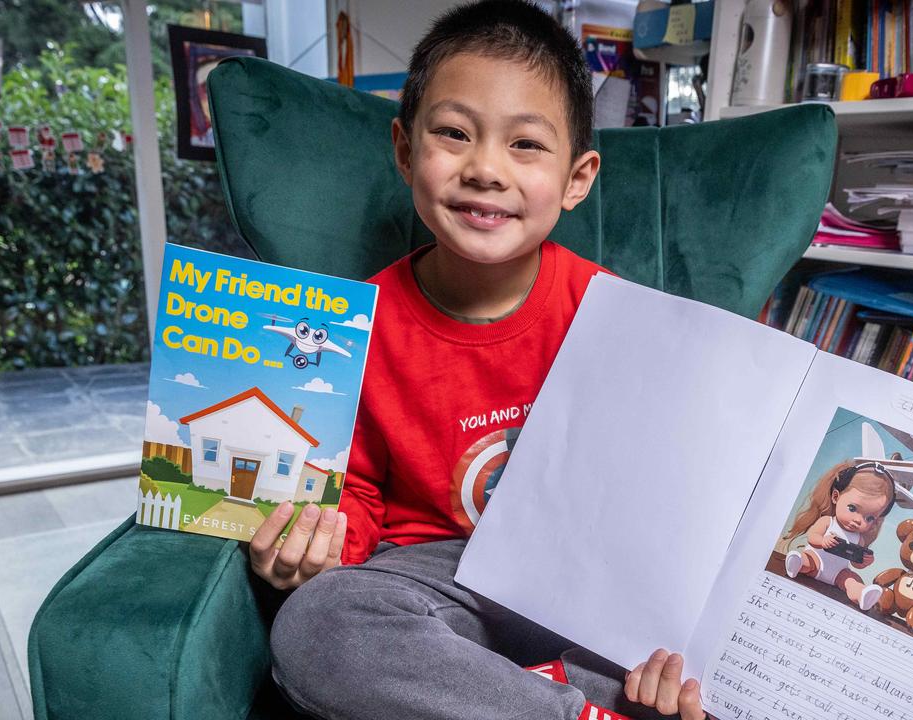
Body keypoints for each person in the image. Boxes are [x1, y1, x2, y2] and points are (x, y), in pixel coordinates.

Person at [248, 2, 706, 718]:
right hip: (439, 578)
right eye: (454, 134)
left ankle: (529, 692)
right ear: (404, 150)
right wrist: (320, 542)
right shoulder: (347, 325)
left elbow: (653, 492)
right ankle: (571, 710)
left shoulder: (616, 312)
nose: (486, 169)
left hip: (576, 587)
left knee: (707, 666)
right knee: (317, 622)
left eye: (525, 145)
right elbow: (357, 489)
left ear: (578, 177)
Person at [780, 461, 895, 610]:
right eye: (852, 508)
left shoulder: (859, 539)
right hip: (816, 561)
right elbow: (812, 537)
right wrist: (823, 541)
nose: (858, 520)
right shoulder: (828, 522)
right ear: (836, 496)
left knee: (852, 579)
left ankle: (861, 595)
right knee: (808, 561)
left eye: (869, 518)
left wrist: (863, 561)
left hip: (838, 574)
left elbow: (855, 563)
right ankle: (797, 564)